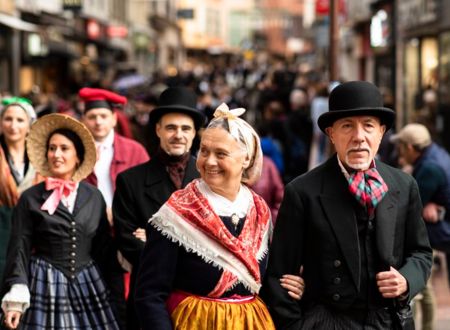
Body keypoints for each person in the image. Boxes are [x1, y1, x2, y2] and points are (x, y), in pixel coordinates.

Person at [261, 81, 433, 329]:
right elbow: (279, 277)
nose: (359, 137)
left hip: (389, 321)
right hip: (328, 321)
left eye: (368, 126)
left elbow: (420, 252)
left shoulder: (404, 185)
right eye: (347, 126)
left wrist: (406, 280)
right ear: (331, 134)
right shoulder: (302, 192)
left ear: (382, 132)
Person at [133, 103, 303, 329]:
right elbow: (150, 294)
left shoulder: (259, 210)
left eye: (221, 153)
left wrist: (294, 285)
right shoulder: (177, 212)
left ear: (246, 159)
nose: (209, 161)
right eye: (204, 151)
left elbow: (267, 277)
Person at [1, 114, 119, 329]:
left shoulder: (94, 196)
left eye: (64, 149)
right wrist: (16, 293)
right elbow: (19, 248)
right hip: (44, 282)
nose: (56, 154)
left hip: (88, 283)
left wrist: (116, 292)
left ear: (77, 156)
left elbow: (104, 249)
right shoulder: (30, 197)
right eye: (52, 148)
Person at [112, 86, 207, 329]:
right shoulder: (130, 181)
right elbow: (128, 242)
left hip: (199, 300)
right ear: (158, 130)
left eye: (185, 128)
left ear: (195, 133)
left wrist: (155, 239)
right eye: (171, 128)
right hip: (149, 299)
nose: (178, 135)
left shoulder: (209, 180)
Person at [79, 87, 150, 328]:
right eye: (92, 117)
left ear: (114, 118)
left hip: (124, 233)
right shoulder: (75, 150)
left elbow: (146, 195)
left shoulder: (134, 150)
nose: (98, 122)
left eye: (103, 116)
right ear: (84, 119)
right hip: (86, 234)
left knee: (122, 299)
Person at [390, 123, 450, 330]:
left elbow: (409, 206)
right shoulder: (435, 154)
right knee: (427, 288)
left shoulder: (429, 168)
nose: (398, 151)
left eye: (400, 146)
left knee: (421, 287)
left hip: (434, 232)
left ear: (410, 147)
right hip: (436, 228)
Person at [0, 97, 40, 285]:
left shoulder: (41, 159)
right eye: (8, 119)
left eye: (20, 120)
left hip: (32, 234)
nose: (13, 125)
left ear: (30, 124)